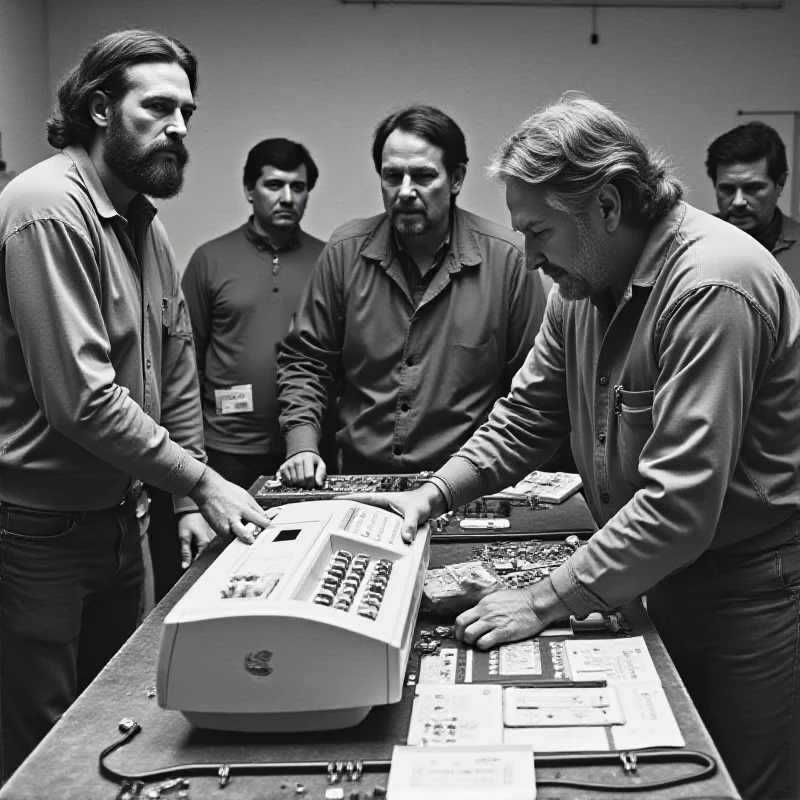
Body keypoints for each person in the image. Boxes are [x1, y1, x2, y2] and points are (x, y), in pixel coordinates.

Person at [354, 95, 800, 799]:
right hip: (662, 567)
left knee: (742, 780)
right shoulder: (582, 286)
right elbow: (526, 416)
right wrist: (432, 495)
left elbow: (679, 507)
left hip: (749, 584)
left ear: (609, 207)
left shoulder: (712, 285)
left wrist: (539, 601)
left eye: (539, 232)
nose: (528, 258)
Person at [0, 29, 269, 783]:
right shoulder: (48, 209)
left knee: (119, 725)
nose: (180, 128)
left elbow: (174, 363)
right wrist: (202, 483)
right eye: (158, 108)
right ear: (97, 108)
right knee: (46, 754)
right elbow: (82, 401)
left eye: (188, 111)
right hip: (39, 538)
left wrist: (184, 500)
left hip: (125, 523)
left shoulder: (145, 224)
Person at [276, 104, 549, 486]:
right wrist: (302, 444)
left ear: (455, 179)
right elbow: (307, 360)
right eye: (392, 176)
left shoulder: (508, 261)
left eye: (422, 176)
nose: (405, 191)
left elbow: (533, 391)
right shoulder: (344, 250)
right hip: (360, 479)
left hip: (466, 483)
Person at [143, 139, 325, 599]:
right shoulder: (210, 259)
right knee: (219, 576)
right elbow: (182, 363)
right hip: (224, 453)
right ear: (250, 190)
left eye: (298, 187)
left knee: (297, 573)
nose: (287, 196)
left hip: (304, 452)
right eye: (274, 184)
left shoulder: (329, 260)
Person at [706, 120, 800, 287]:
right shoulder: (690, 244)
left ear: (780, 183)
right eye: (727, 189)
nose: (738, 202)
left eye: (753, 188)